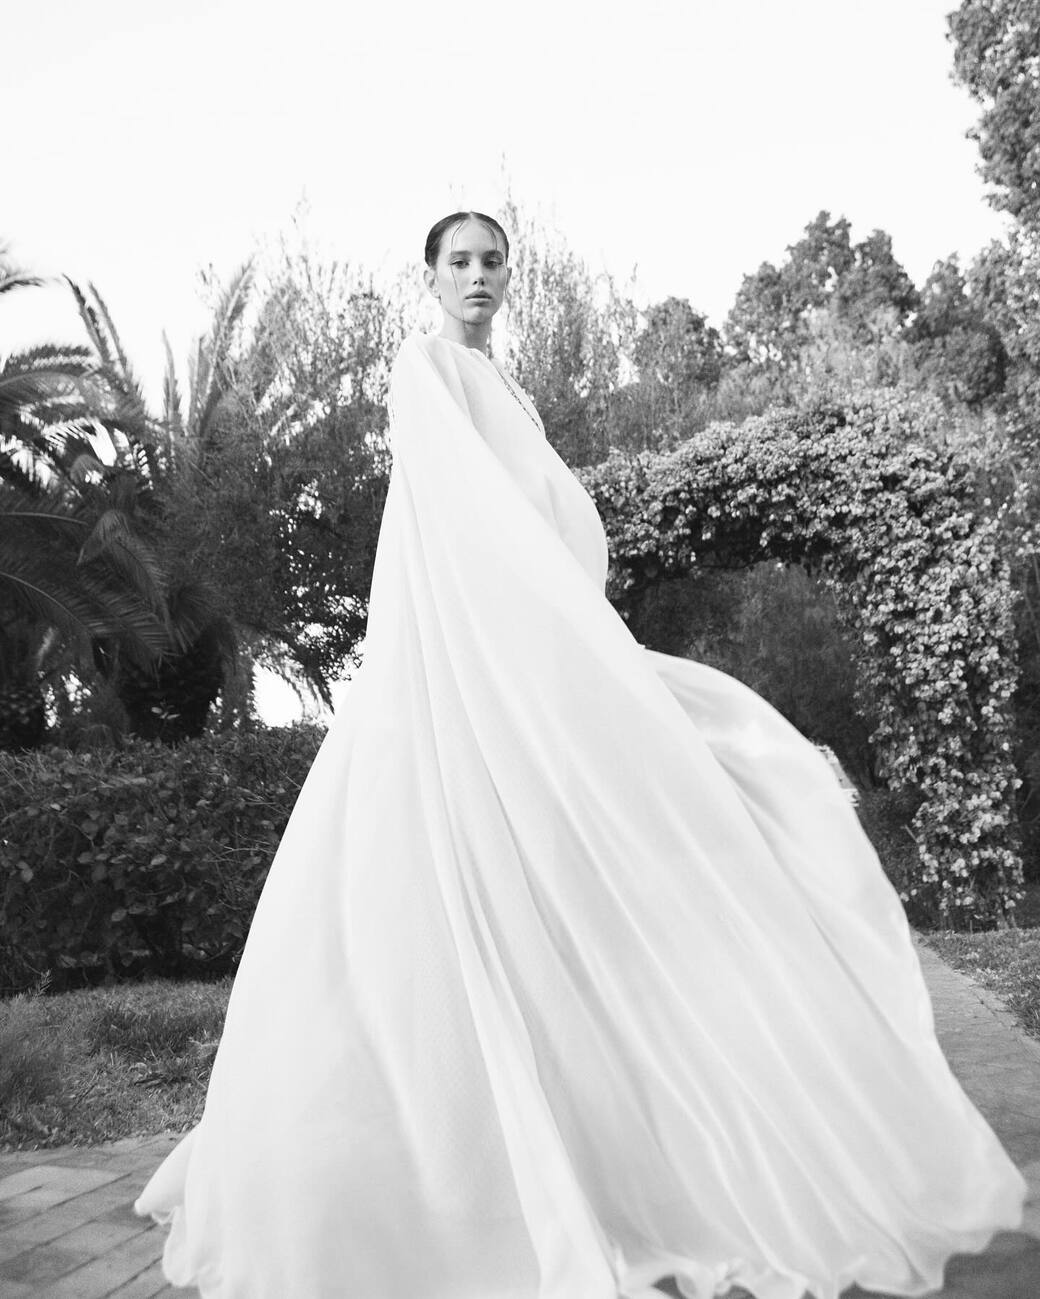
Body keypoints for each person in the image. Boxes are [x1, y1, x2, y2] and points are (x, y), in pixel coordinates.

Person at [134, 210, 1027, 1299]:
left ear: (508, 276)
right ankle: (440, 1174)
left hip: (538, 655)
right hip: (467, 669)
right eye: (459, 262)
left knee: (681, 799)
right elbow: (468, 524)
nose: (477, 277)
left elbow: (546, 524)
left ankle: (594, 1147)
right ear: (429, 276)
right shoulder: (425, 370)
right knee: (437, 901)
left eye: (491, 262)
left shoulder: (509, 389)